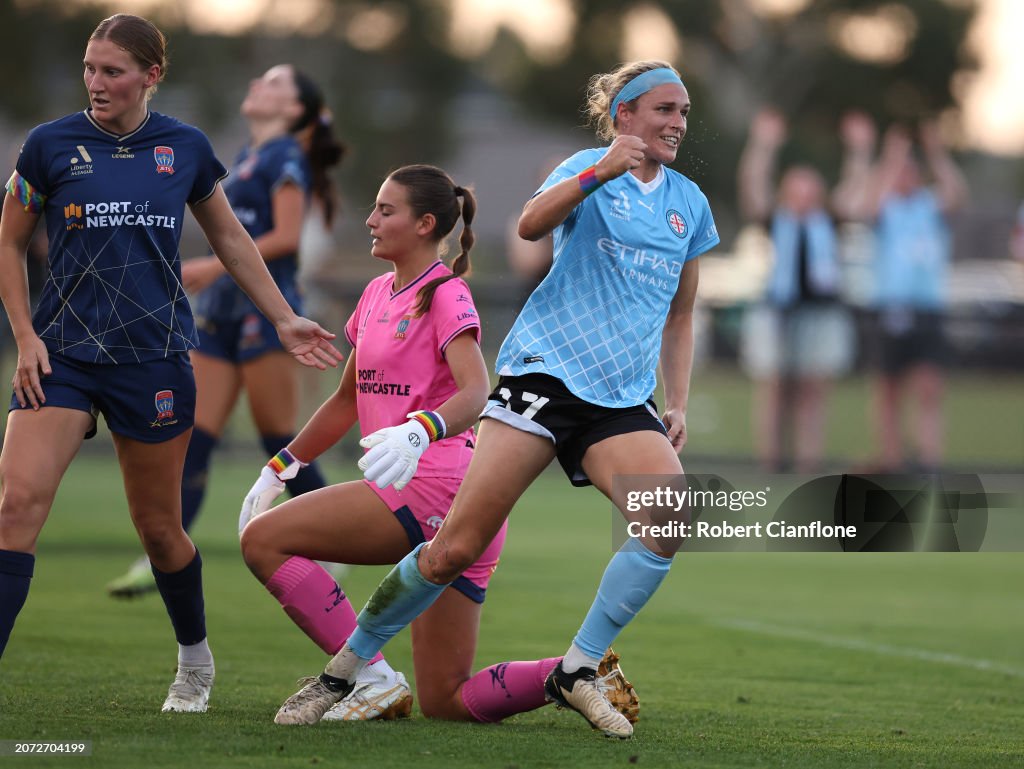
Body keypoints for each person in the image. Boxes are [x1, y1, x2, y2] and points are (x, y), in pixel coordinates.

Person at [273, 60, 719, 739]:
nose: (677, 122)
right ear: (624, 115)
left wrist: (676, 399)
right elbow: (532, 227)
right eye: (663, 109)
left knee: (669, 518)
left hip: (621, 400)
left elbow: (682, 315)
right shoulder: (585, 168)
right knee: (454, 546)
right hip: (544, 376)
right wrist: (599, 169)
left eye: (683, 111)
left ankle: (578, 666)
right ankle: (345, 668)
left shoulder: (690, 201)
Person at [0, 14, 342, 712]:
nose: (96, 83)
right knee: (13, 508)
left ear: (151, 75)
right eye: (90, 68)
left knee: (160, 529)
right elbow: (8, 244)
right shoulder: (48, 146)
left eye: (113, 71)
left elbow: (235, 241)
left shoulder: (184, 148)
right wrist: (25, 336)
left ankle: (193, 660)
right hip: (61, 355)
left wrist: (282, 317)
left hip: (153, 361)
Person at [239, 164, 638, 725]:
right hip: (447, 500)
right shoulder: (378, 293)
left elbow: (479, 392)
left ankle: (368, 678)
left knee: (263, 542)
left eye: (385, 210)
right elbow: (345, 400)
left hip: (437, 488)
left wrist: (419, 429)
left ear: (425, 224)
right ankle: (571, 675)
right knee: (448, 701)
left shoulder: (447, 293)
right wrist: (282, 466)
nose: (370, 220)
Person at [106, 63, 346, 597]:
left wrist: (212, 267)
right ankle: (162, 556)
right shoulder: (245, 157)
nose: (258, 82)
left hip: (267, 315)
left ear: (296, 109)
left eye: (276, 82)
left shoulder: (286, 155)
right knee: (193, 440)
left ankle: (336, 548)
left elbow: (286, 237)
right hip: (218, 317)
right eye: (260, 77)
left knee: (280, 442)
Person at [836, 116, 967, 472]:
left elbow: (957, 192)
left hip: (926, 309)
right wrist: (890, 158)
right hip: (888, 308)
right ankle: (891, 457)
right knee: (888, 390)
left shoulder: (929, 205)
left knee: (928, 388)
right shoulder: (885, 208)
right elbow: (866, 204)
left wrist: (936, 152)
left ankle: (928, 458)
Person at [737, 107, 855, 472]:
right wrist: (763, 144)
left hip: (821, 313)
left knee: (812, 391)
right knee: (774, 391)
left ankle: (808, 463)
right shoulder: (777, 220)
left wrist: (859, 152)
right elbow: (753, 187)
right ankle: (770, 463)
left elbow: (858, 192)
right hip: (778, 311)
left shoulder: (830, 221)